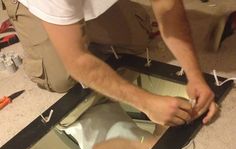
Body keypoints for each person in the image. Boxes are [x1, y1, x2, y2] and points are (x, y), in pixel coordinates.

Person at [2, 0, 218, 126]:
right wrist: (147, 103)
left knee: (140, 35)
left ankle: (74, 22)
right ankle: (63, 24)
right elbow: (76, 59)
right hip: (36, 5)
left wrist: (194, 74)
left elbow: (167, 7)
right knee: (61, 78)